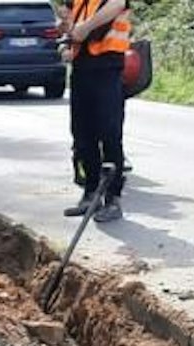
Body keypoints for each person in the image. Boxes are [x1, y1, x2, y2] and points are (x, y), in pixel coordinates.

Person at [60, 0, 131, 223]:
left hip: (108, 67)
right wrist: (64, 44)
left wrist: (85, 27)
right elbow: (68, 21)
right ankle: (90, 194)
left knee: (109, 133)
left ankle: (112, 199)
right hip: (81, 67)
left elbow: (117, 4)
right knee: (82, 135)